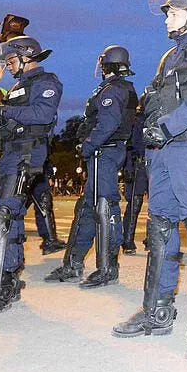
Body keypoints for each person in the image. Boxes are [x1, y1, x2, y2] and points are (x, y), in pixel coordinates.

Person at [113, 0, 187, 360]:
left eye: (173, 13)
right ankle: (157, 310)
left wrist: (166, 127)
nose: (166, 19)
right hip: (161, 152)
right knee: (160, 230)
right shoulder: (171, 56)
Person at [0, 34, 63, 320]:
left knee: (1, 218)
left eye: (10, 61)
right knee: (12, 217)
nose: (7, 67)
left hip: (27, 155)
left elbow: (42, 114)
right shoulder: (19, 86)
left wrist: (1, 109)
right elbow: (17, 117)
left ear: (27, 57)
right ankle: (8, 280)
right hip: (11, 155)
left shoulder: (46, 82)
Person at [48, 45, 137, 288]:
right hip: (104, 152)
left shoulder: (114, 90)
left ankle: (108, 269)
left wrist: (87, 145)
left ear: (107, 64)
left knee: (104, 207)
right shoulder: (118, 88)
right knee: (88, 209)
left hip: (104, 152)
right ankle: (73, 264)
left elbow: (107, 124)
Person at [25, 157, 66, 254]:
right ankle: (49, 240)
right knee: (43, 203)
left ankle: (7, 240)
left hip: (19, 166)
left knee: (15, 207)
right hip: (36, 165)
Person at [120, 119, 148, 255]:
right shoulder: (137, 121)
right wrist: (129, 167)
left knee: (159, 204)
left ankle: (153, 239)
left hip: (156, 162)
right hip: (138, 165)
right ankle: (127, 240)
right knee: (134, 204)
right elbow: (129, 146)